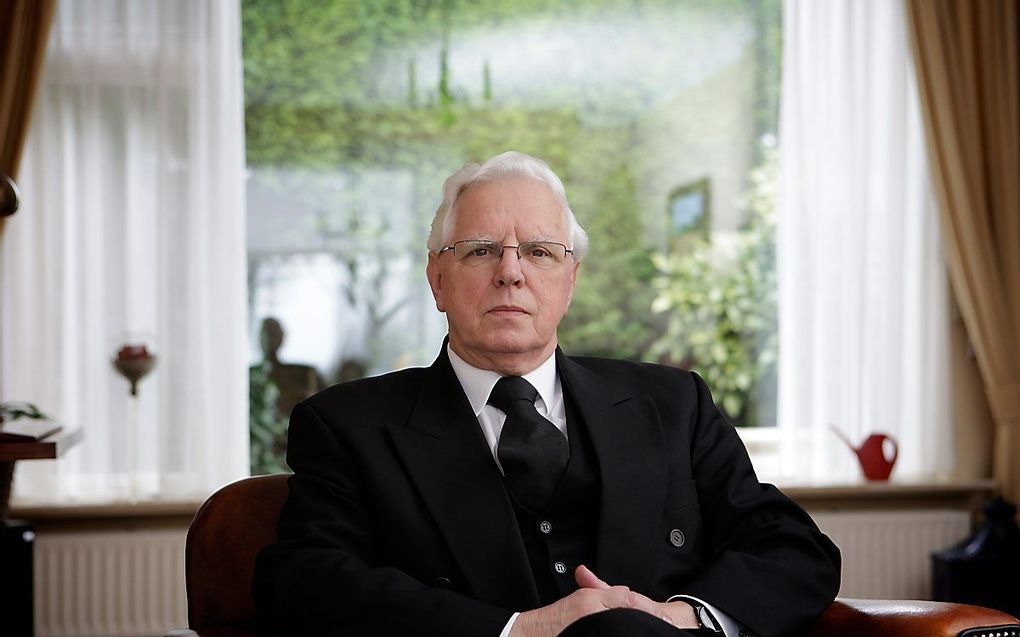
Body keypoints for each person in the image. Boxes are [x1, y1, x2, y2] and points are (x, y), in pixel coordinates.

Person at [252, 151, 841, 637]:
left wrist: (678, 618)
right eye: (481, 249)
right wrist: (518, 629)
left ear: (570, 280)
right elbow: (305, 582)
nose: (511, 272)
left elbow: (793, 549)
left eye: (539, 252)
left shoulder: (673, 404)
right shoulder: (346, 425)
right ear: (437, 279)